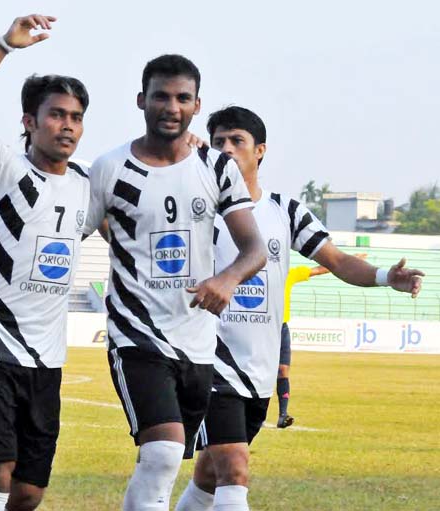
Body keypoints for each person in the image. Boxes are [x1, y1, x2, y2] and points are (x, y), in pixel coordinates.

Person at [175, 106, 424, 511]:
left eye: (236, 140)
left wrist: (384, 277)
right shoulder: (198, 208)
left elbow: (339, 261)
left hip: (259, 366)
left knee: (209, 474)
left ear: (260, 151)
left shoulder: (283, 211)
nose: (225, 149)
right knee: (235, 470)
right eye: (218, 141)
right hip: (210, 359)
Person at [81, 56, 266, 511]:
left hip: (198, 342)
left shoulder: (217, 168)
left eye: (183, 98)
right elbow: (69, 234)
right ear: (141, 100)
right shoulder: (110, 168)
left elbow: (254, 248)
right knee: (162, 453)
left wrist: (226, 278)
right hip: (136, 335)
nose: (171, 106)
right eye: (161, 96)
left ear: (197, 105)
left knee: (174, 460)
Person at [0, 14, 91, 511]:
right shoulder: (5, 166)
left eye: (74, 116)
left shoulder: (88, 189)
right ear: (29, 121)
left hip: (48, 360)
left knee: (29, 492)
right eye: (55, 114)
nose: (66, 125)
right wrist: (5, 45)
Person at [276, 255, 364, 428]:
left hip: (282, 328)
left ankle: (283, 414)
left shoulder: (290, 274)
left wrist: (349, 261)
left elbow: (319, 270)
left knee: (283, 370)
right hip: (263, 328)